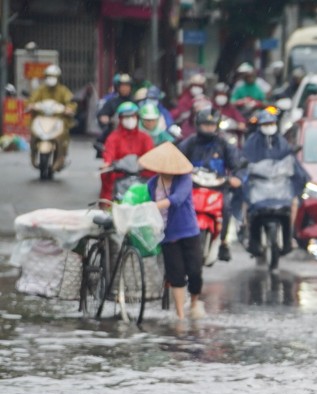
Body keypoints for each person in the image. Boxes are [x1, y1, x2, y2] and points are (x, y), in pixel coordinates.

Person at [139, 142, 205, 320]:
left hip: (188, 232)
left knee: (195, 271)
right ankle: (181, 314)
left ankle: (194, 303)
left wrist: (154, 206)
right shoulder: (152, 184)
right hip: (167, 235)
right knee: (175, 273)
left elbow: (178, 199)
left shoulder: (184, 179)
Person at [178, 108, 245, 261]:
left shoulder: (223, 144)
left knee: (226, 207)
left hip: (218, 188)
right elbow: (178, 160)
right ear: (198, 125)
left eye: (212, 125)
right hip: (193, 187)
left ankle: (223, 242)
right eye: (205, 125)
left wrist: (237, 177)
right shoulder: (190, 143)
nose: (209, 128)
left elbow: (237, 164)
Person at [241, 109, 309, 256]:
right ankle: (247, 232)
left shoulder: (282, 142)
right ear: (260, 125)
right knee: (245, 200)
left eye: (271, 123)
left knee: (294, 201)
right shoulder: (252, 142)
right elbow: (244, 161)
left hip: (279, 185)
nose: (269, 126)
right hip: (258, 185)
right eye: (265, 124)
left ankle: (289, 235)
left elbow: (290, 160)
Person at [100, 101, 154, 200]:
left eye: (133, 116)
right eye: (126, 117)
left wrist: (149, 164)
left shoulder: (145, 137)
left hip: (141, 177)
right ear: (120, 119)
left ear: (137, 118)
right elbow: (109, 154)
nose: (130, 120)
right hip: (119, 176)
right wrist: (107, 163)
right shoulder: (113, 138)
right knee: (106, 182)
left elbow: (150, 155)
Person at [26, 64, 75, 172]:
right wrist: (30, 106)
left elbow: (71, 102)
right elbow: (32, 100)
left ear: (58, 78)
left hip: (58, 119)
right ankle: (33, 150)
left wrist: (69, 109)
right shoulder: (41, 90)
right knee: (33, 132)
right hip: (42, 118)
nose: (51, 78)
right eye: (48, 76)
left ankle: (62, 155)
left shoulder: (63, 90)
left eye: (53, 76)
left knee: (64, 135)